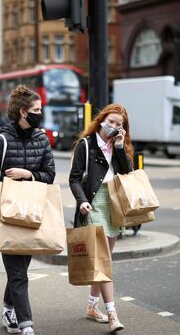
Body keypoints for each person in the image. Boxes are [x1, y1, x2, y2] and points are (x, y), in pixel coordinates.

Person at [0, 85, 55, 335]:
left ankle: (8, 307)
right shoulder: (2, 141)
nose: (40, 114)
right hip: (8, 214)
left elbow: (50, 176)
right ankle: (27, 325)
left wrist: (28, 174)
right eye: (37, 110)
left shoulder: (42, 139)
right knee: (18, 273)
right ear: (22, 112)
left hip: (33, 213)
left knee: (20, 269)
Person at [69, 103, 132, 333]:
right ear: (102, 119)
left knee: (103, 262)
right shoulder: (86, 145)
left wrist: (118, 148)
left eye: (119, 124)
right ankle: (113, 314)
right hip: (93, 205)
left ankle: (92, 306)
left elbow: (127, 175)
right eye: (112, 121)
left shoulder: (118, 146)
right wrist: (82, 200)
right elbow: (74, 178)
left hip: (113, 205)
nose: (114, 126)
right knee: (104, 262)